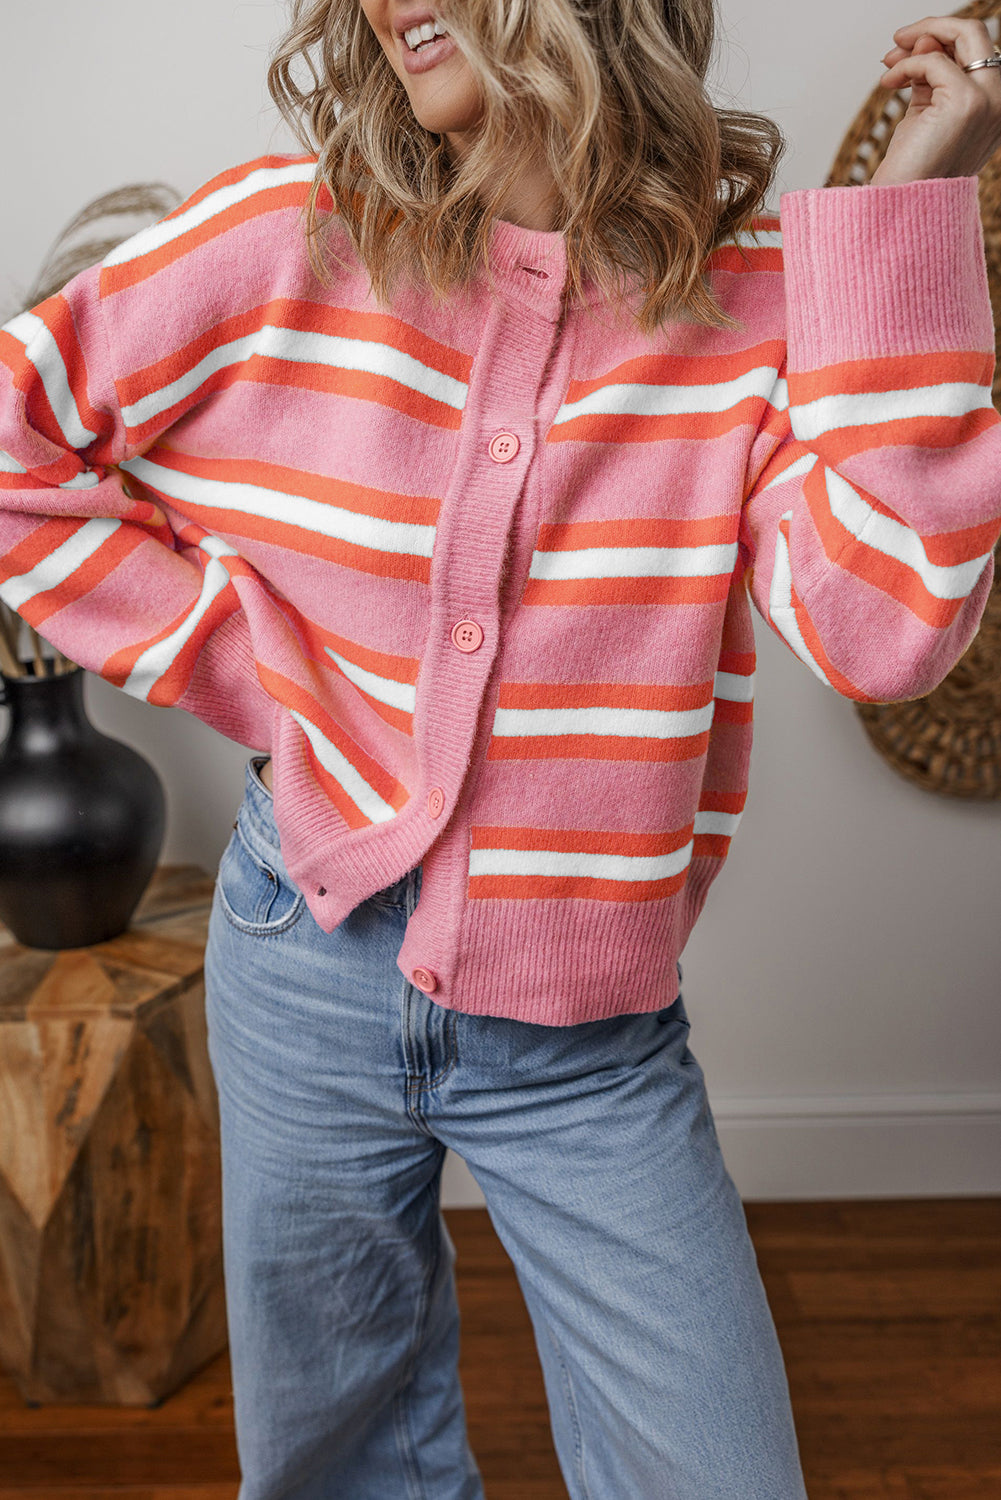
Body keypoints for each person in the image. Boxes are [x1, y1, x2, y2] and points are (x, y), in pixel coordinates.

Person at [3, 2, 1001, 1496]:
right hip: (301, 954)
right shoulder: (289, 239)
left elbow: (888, 629)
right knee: (333, 1460)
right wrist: (250, 670)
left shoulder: (756, 313)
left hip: (585, 1029)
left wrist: (902, 209)